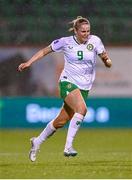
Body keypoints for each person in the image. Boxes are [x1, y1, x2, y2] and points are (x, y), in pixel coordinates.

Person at [18, 16, 112, 162]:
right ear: (75, 31)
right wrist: (29, 62)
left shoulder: (95, 41)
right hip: (67, 82)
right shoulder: (65, 42)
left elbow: (104, 56)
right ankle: (68, 147)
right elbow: (44, 51)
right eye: (82, 31)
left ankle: (37, 142)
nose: (86, 34)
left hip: (84, 87)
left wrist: (106, 61)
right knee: (82, 109)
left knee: (60, 121)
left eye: (88, 31)